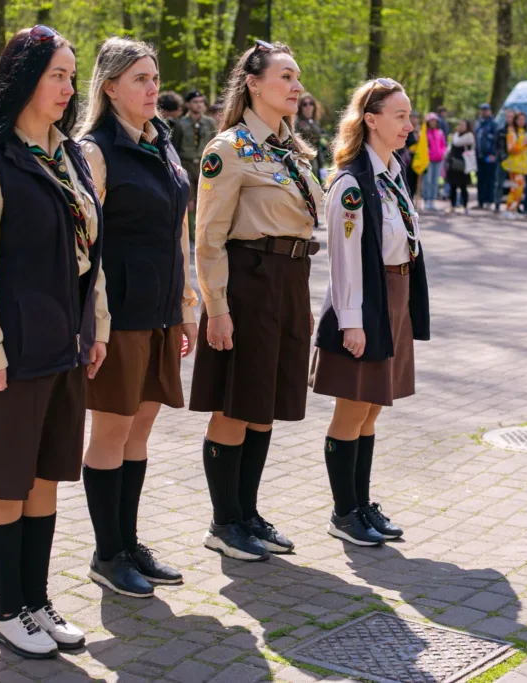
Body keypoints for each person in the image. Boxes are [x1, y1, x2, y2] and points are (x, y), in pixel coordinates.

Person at [0, 24, 104, 659]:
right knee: (5, 483)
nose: (68, 87)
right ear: (25, 78)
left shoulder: (66, 157)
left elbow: (92, 253)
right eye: (57, 75)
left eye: (70, 75)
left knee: (43, 480)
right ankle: (7, 610)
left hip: (63, 348)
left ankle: (35, 602)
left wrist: (96, 327)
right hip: (9, 356)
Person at [190, 40, 323, 562]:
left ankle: (247, 513)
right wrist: (216, 307)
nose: (296, 87)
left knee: (265, 404)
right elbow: (208, 237)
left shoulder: (289, 149)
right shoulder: (228, 149)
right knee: (235, 402)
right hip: (247, 282)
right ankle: (224, 522)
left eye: (296, 78)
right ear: (254, 83)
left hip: (290, 279)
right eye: (286, 77)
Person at [76, 37, 197, 597]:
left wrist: (188, 306)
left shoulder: (163, 142)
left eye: (154, 77)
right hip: (119, 312)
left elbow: (180, 232)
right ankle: (108, 553)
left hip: (163, 309)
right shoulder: (95, 150)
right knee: (112, 428)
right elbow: (86, 246)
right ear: (110, 88)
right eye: (140, 79)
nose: (153, 88)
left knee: (141, 427)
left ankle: (128, 540)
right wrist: (94, 322)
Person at [313, 77, 428, 545]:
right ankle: (345, 513)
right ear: (372, 120)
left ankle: (362, 503)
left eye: (409, 115)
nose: (408, 124)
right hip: (364, 302)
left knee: (373, 407)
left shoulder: (392, 171)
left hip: (394, 298)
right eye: (399, 116)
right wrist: (352, 321)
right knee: (352, 407)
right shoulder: (353, 182)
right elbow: (344, 260)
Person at [172, 89, 217, 230]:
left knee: (206, 199)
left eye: (201, 102)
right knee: (189, 202)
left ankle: (202, 231)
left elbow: (214, 143)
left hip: (206, 164)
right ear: (188, 104)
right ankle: (191, 234)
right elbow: (175, 147)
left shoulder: (209, 122)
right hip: (186, 164)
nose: (199, 105)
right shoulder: (181, 124)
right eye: (195, 102)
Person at [501, 111, 527, 218]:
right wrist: (523, 144)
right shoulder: (512, 133)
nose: (521, 122)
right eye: (519, 119)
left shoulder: (524, 132)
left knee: (519, 188)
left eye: (523, 119)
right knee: (516, 187)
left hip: (522, 164)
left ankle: (514, 209)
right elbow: (511, 148)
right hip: (515, 165)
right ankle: (509, 209)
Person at [445, 118, 474, 215]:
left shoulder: (469, 136)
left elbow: (457, 142)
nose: (460, 127)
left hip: (463, 165)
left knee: (463, 186)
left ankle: (465, 206)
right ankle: (452, 205)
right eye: (459, 124)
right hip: (453, 164)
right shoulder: (456, 135)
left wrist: (455, 135)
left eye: (463, 125)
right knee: (452, 186)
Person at [295, 92, 325, 180]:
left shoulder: (315, 122)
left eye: (311, 103)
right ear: (300, 107)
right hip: (305, 158)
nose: (308, 106)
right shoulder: (297, 122)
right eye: (305, 104)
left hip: (317, 156)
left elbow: (319, 141)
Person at [420, 113, 445, 211]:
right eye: (431, 120)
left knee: (435, 181)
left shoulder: (440, 132)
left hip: (438, 160)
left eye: (434, 120)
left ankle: (432, 200)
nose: (433, 122)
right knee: (428, 180)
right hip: (428, 160)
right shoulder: (425, 132)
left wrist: (443, 153)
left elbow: (443, 145)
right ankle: (426, 200)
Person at [475, 103, 497, 209]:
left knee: (489, 179)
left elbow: (496, 140)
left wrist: (493, 153)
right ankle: (480, 201)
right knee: (480, 179)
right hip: (479, 156)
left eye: (486, 110)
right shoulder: (478, 123)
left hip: (489, 156)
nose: (484, 112)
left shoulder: (493, 124)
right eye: (482, 110)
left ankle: (489, 200)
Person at [494, 107, 513, 212]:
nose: (509, 119)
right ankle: (497, 203)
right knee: (499, 183)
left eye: (511, 117)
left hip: (514, 160)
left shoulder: (517, 131)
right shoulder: (500, 130)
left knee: (514, 183)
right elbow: (496, 145)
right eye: (508, 116)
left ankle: (513, 205)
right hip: (502, 160)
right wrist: (500, 155)